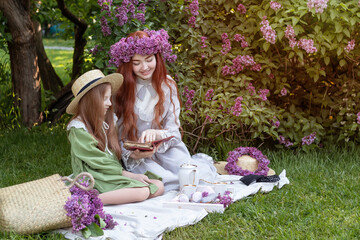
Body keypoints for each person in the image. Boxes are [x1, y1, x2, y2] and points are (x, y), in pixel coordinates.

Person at [109, 29, 217, 192]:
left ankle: (201, 164)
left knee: (193, 176)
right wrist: (131, 153)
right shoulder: (120, 89)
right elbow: (113, 135)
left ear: (157, 58)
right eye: (136, 63)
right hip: (139, 158)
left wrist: (159, 135)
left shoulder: (168, 85)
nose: (144, 67)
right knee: (165, 181)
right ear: (128, 64)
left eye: (149, 60)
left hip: (167, 150)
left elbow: (174, 131)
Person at [66, 69, 164, 205]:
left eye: (109, 98)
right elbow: (97, 162)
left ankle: (120, 195)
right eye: (105, 98)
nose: (110, 103)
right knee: (142, 192)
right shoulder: (78, 129)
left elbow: (111, 153)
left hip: (111, 174)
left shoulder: (104, 121)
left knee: (158, 185)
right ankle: (90, 200)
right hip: (96, 176)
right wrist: (127, 174)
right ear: (92, 101)